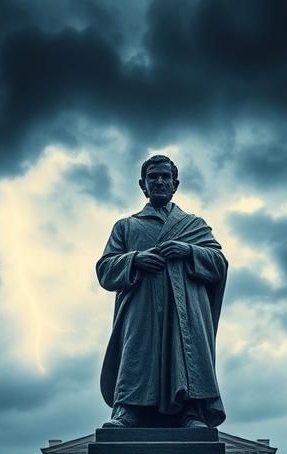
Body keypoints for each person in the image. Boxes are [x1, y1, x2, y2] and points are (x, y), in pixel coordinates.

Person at [97, 155, 227, 428]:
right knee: (137, 353)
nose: (159, 181)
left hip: (186, 311)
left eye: (165, 177)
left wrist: (189, 251)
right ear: (142, 185)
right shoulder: (126, 226)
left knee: (186, 353)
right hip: (142, 308)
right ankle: (129, 410)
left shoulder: (195, 225)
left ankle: (191, 412)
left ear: (175, 184)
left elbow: (218, 264)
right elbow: (105, 270)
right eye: (152, 177)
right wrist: (134, 260)